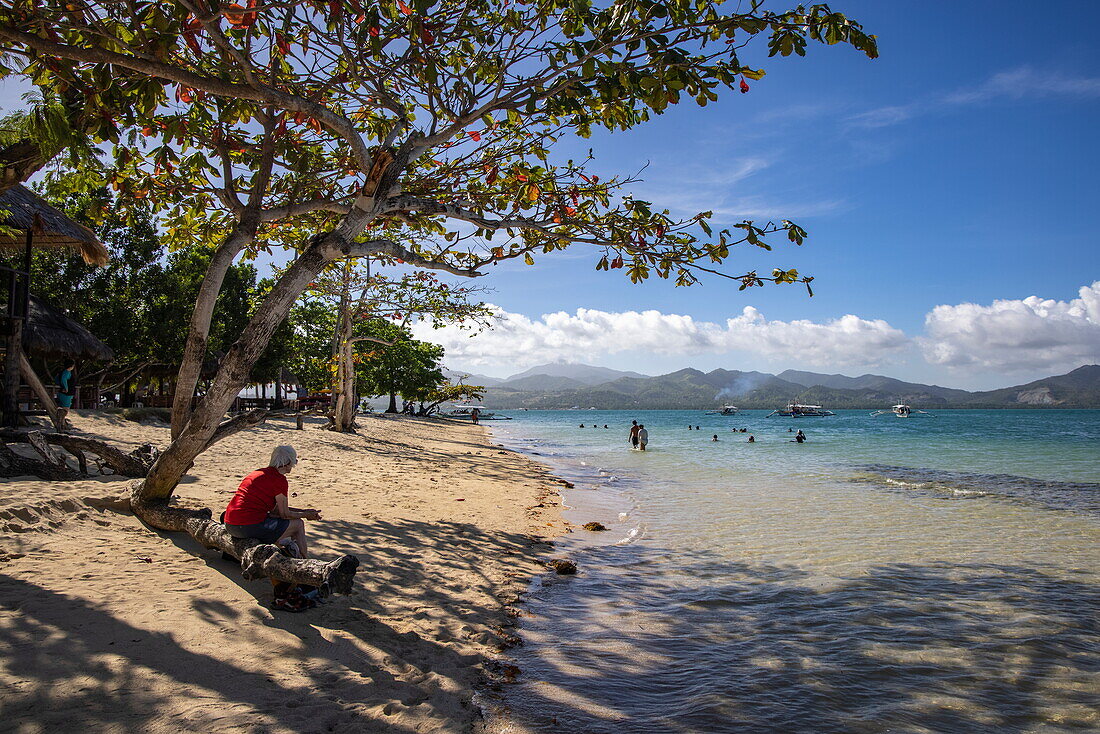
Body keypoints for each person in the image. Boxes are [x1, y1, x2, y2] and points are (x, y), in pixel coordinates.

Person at [223, 445, 322, 559]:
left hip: (230, 523)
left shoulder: (258, 473)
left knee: (281, 522)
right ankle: (304, 560)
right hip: (246, 526)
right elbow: (284, 514)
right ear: (288, 462)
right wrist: (305, 515)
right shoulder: (279, 480)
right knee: (298, 524)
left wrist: (305, 511)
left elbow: (276, 511)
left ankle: (289, 550)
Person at [55, 361, 76, 432]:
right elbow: (63, 379)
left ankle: (63, 425)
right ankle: (61, 424)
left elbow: (57, 380)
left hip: (63, 393)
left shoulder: (63, 372)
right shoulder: (66, 372)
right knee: (65, 410)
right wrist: (66, 388)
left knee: (62, 409)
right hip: (66, 394)